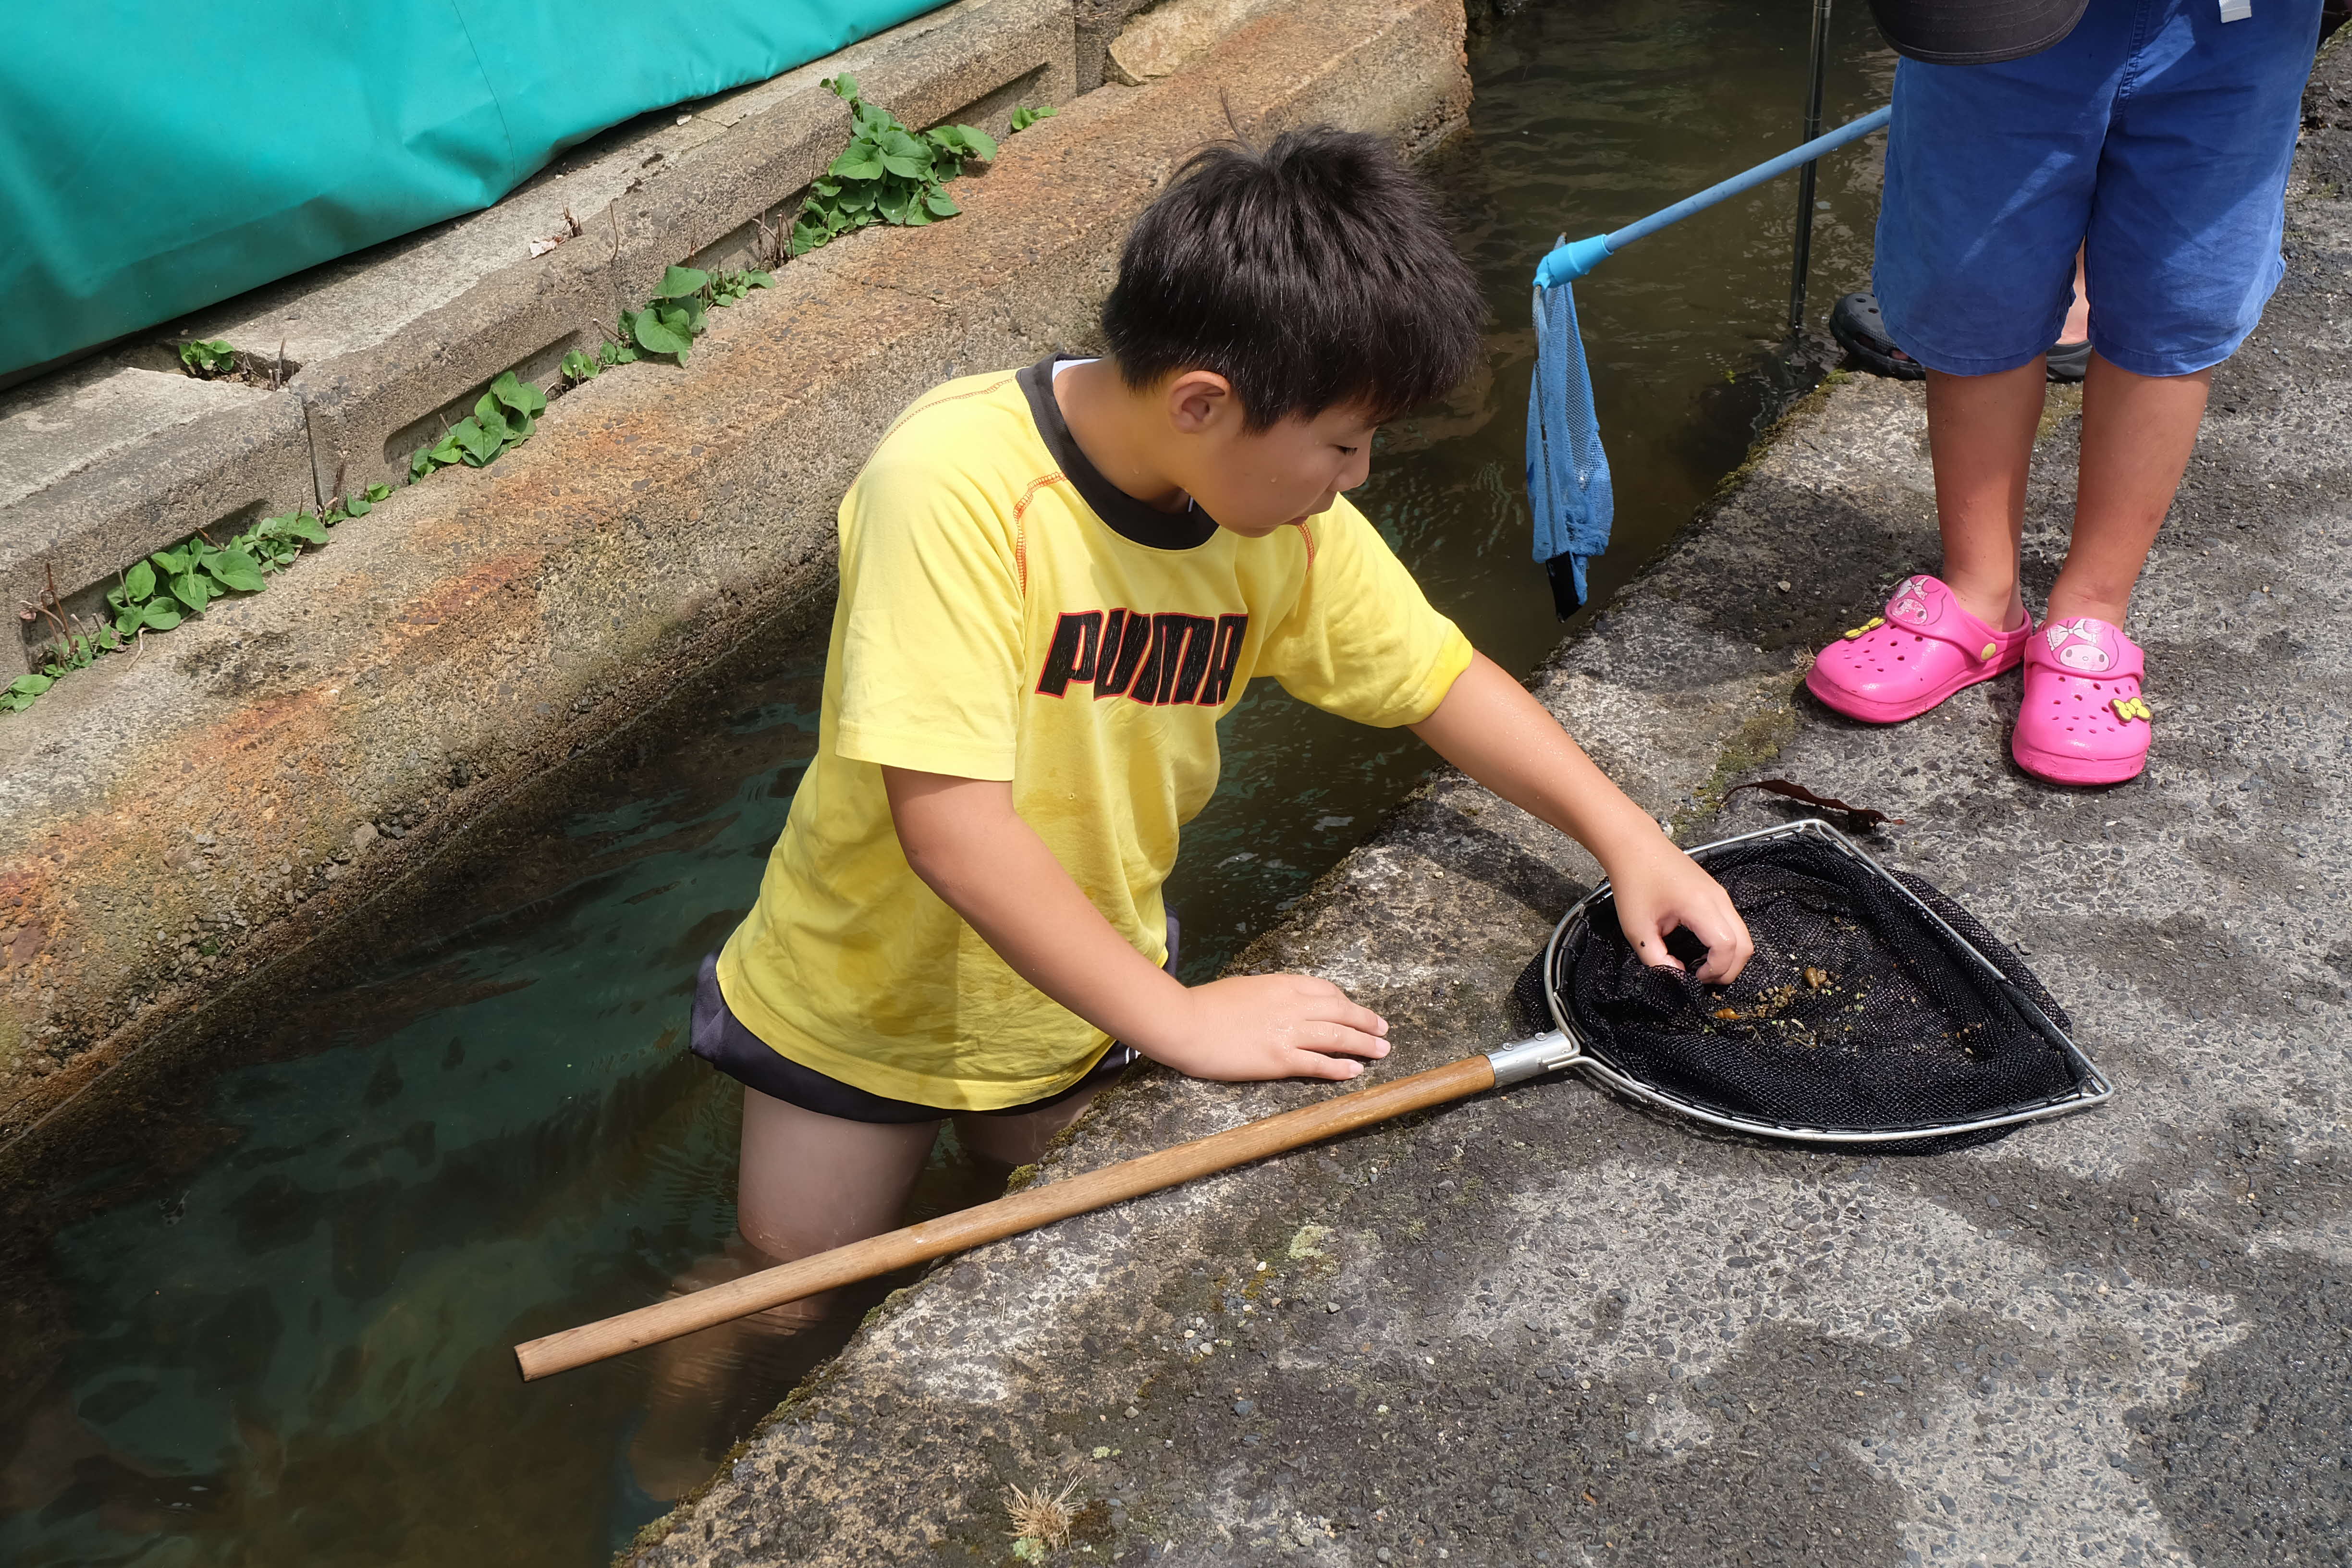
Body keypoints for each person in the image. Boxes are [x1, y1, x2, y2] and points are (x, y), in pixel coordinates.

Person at [693, 128, 1755, 1317]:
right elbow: (950, 827)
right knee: (782, 1293)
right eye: (1343, 442)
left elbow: (1436, 680)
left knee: (1051, 1279)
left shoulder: (1272, 519)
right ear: (1206, 403)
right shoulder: (951, 484)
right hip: (862, 1001)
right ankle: (681, 1448)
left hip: (1072, 994)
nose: (1356, 478)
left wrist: (1630, 841)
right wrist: (1181, 1022)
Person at [1808, 0, 2326, 784]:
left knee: (2179, 294)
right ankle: (1981, 590)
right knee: (1973, 279)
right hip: (2001, 21)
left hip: (2238, 25)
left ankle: (2093, 609)